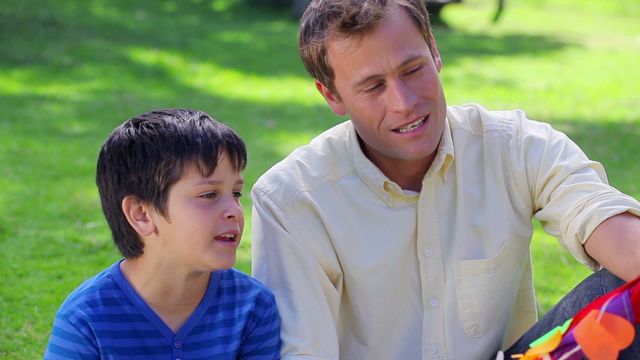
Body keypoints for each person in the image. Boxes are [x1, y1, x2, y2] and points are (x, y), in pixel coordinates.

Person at [250, 0, 640, 358]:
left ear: (434, 50)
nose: (404, 103)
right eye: (373, 86)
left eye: (412, 69)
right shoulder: (292, 200)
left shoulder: (515, 146)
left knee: (623, 296)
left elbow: (608, 226)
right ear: (331, 95)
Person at [45, 109, 281, 359]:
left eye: (235, 193)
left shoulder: (253, 307)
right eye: (209, 195)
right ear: (141, 214)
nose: (234, 210)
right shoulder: (85, 319)